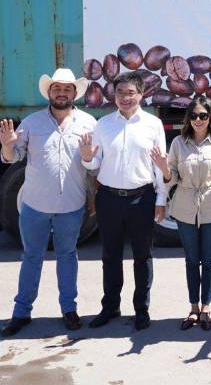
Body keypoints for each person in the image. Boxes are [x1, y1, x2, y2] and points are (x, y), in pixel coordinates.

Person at [0, 69, 96, 337]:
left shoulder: (89, 123)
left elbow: (94, 166)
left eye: (67, 89)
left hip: (72, 206)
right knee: (31, 257)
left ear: (75, 93)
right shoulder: (31, 123)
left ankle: (69, 309)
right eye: (57, 89)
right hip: (34, 206)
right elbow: (12, 157)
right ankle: (21, 313)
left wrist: (92, 193)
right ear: (49, 92)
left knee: (68, 256)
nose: (62, 93)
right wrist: (7, 146)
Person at [80, 71, 167, 330]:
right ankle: (110, 307)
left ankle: (142, 309)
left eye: (130, 92)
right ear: (113, 96)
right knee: (110, 256)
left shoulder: (153, 125)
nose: (125, 98)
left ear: (141, 94)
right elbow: (95, 162)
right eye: (120, 93)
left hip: (141, 198)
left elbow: (159, 167)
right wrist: (86, 157)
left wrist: (160, 199)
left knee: (143, 257)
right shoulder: (103, 125)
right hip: (109, 199)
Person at [150, 96, 211, 331]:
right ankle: (193, 307)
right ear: (188, 118)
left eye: (203, 116)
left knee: (208, 261)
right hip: (185, 206)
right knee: (190, 260)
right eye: (194, 115)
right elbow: (172, 178)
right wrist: (164, 168)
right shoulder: (178, 143)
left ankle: (206, 307)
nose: (198, 120)